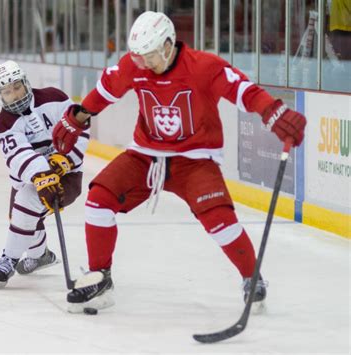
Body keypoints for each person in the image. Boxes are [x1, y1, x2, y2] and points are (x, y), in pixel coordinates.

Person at [52, 11, 306, 312]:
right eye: (138, 58)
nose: (143, 64)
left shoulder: (204, 67)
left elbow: (243, 91)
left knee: (219, 221)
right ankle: (100, 276)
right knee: (99, 199)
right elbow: (106, 91)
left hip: (194, 159)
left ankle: (252, 277)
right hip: (145, 156)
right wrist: (78, 117)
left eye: (149, 57)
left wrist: (273, 111)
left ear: (168, 46)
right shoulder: (134, 65)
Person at [0, 60, 89, 289]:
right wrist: (41, 174)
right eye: (6, 91)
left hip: (68, 174)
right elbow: (18, 155)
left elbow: (80, 128)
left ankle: (9, 258)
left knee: (26, 204)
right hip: (29, 177)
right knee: (20, 219)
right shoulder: (3, 123)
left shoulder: (54, 98)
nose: (13, 94)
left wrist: (65, 159)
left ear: (25, 82)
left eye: (16, 86)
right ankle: (40, 255)